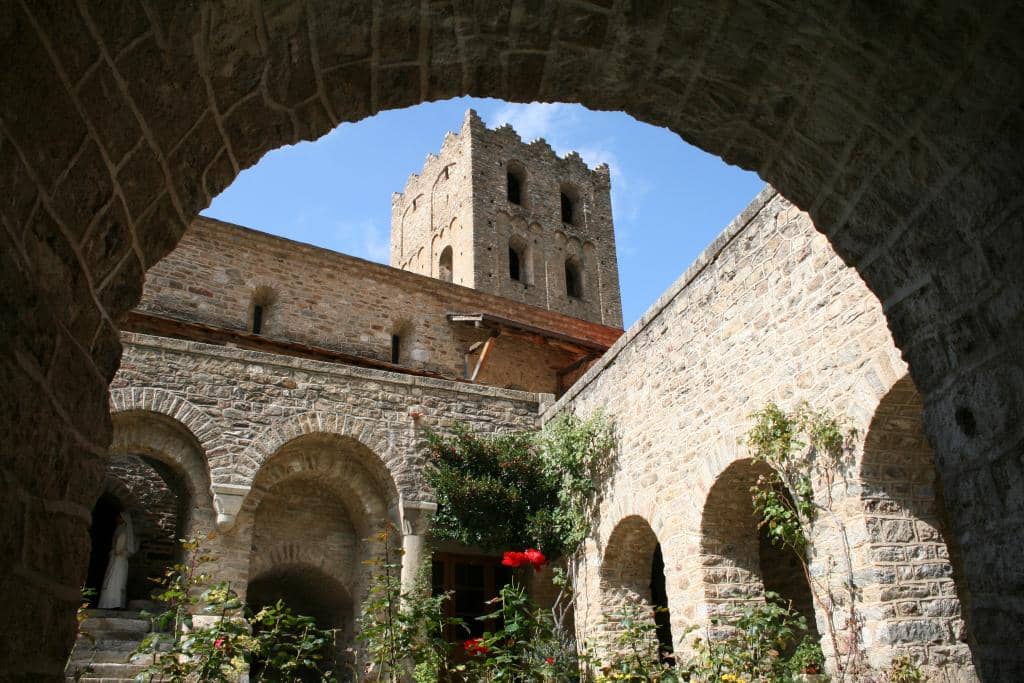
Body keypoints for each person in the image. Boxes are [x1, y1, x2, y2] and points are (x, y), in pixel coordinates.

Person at [97, 512, 138, 609]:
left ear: (123, 518)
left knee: (115, 580)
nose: (117, 518)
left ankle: (113, 603)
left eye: (119, 517)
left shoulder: (124, 531)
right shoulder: (120, 529)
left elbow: (119, 548)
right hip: (118, 559)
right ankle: (112, 603)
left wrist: (116, 551)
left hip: (118, 559)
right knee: (114, 580)